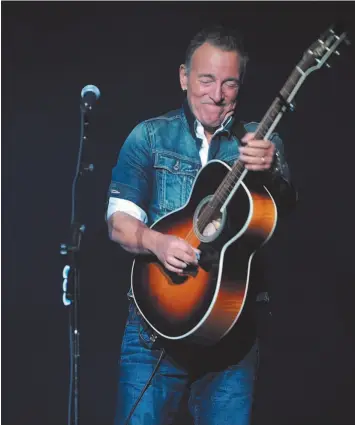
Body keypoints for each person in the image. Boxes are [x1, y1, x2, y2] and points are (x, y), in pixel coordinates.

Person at [106, 25, 297, 425]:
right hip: (154, 333)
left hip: (231, 335)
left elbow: (284, 209)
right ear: (183, 77)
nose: (216, 93)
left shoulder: (258, 145)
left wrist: (273, 168)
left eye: (229, 83)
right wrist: (156, 243)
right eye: (206, 79)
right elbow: (119, 222)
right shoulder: (149, 136)